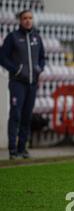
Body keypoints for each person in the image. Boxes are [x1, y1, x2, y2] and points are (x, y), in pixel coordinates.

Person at [0, 10, 45, 160]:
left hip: (32, 84)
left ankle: (22, 149)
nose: (28, 21)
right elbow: (2, 58)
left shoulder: (37, 38)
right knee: (15, 115)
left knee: (26, 117)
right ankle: (13, 150)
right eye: (25, 18)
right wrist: (16, 70)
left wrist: (39, 69)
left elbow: (42, 58)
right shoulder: (13, 38)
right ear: (20, 20)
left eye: (30, 18)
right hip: (17, 83)